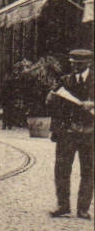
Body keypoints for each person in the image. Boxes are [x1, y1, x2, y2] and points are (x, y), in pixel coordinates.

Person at [48, 48, 94, 220]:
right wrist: (56, 131)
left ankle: (83, 209)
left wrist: (92, 103)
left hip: (90, 133)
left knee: (88, 171)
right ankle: (63, 205)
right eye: (73, 63)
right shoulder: (64, 81)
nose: (75, 67)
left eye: (79, 64)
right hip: (67, 133)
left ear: (89, 63)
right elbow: (55, 108)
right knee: (61, 170)